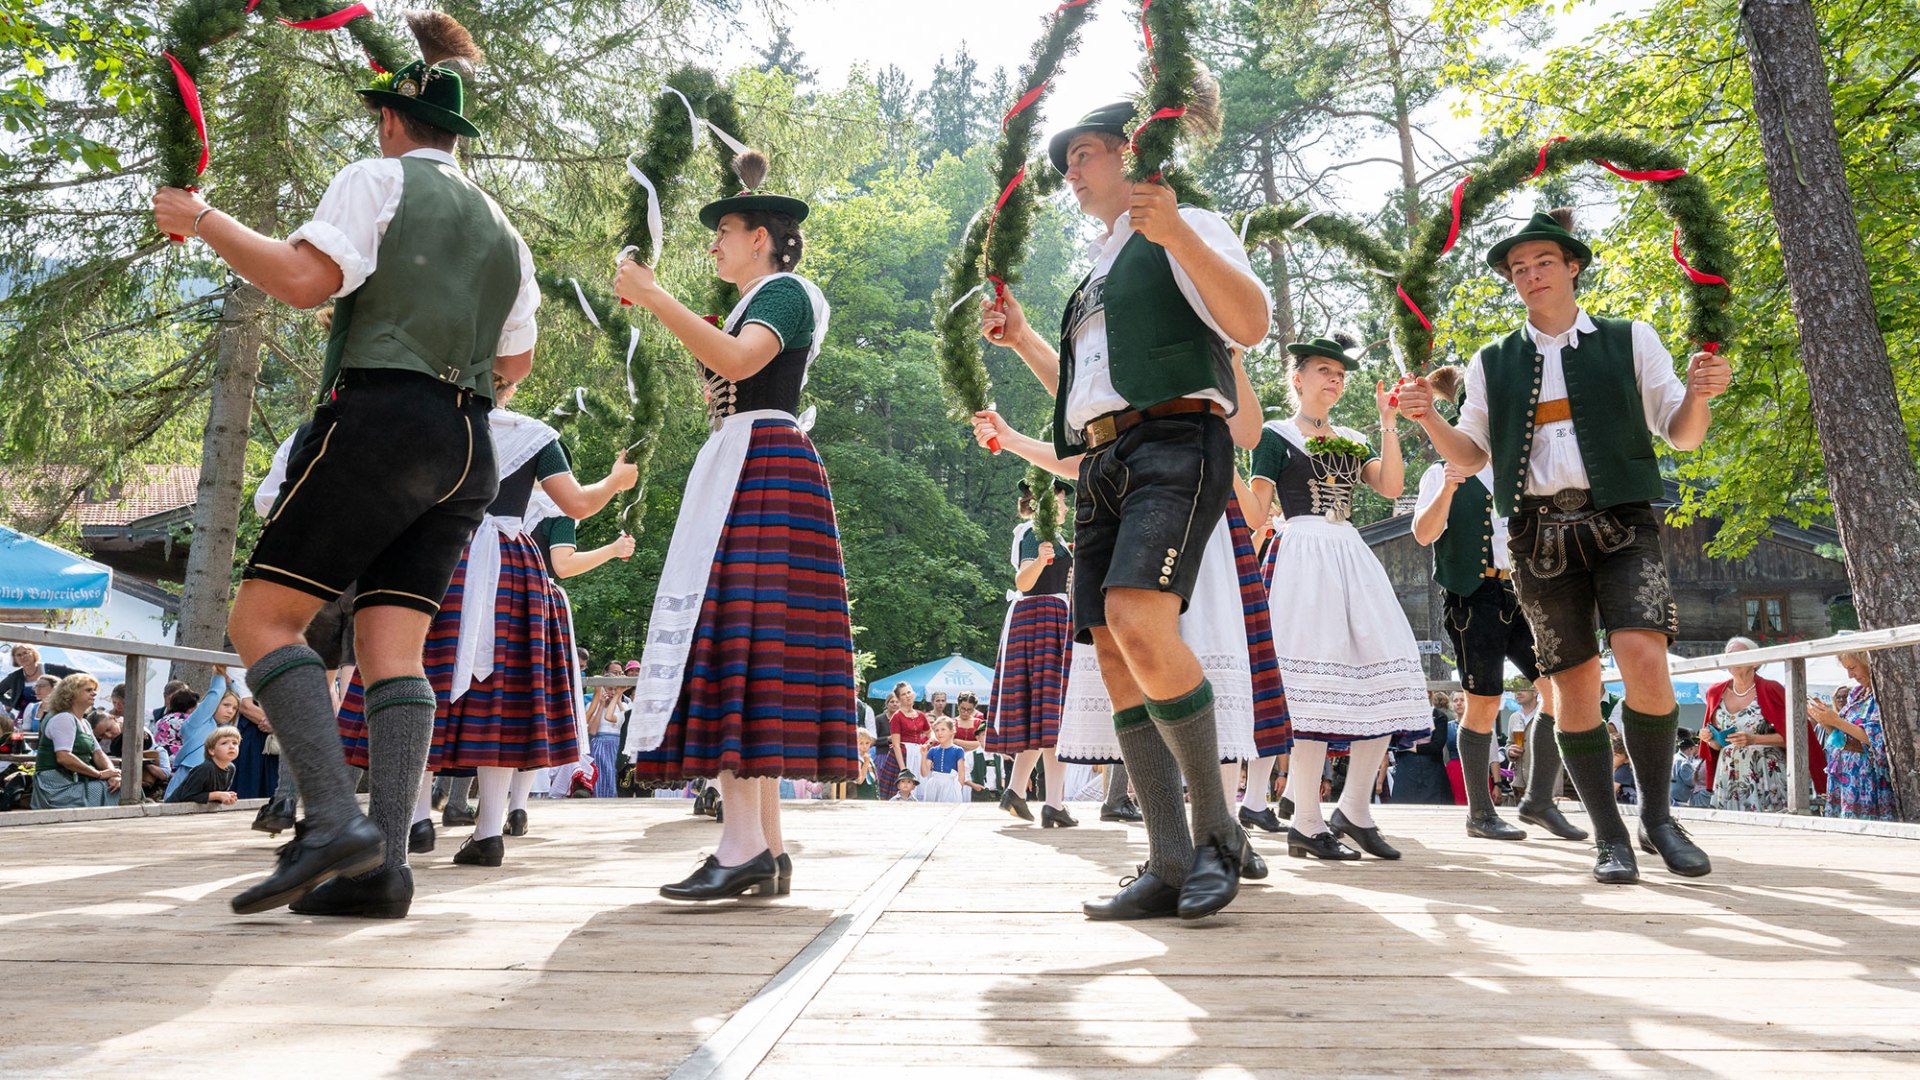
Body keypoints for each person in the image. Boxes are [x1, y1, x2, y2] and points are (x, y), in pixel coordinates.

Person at [152, 12, 540, 917]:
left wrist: (201, 217)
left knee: (262, 622)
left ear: (392, 121)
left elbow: (302, 279)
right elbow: (514, 364)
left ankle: (330, 821)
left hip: (381, 426)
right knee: (391, 650)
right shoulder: (504, 230)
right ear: (454, 134)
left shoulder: (377, 178)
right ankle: (383, 870)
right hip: (468, 445)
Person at [1396, 207, 1730, 884]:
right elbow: (1472, 453)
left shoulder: (1630, 338)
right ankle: (1610, 837)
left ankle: (1658, 817)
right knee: (1573, 682)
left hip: (1622, 522)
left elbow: (1683, 434)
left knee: (1644, 656)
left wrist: (1700, 395)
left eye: (1544, 261)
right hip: (1537, 533)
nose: (1531, 275)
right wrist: (1429, 418)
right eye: (1519, 268)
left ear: (1574, 266)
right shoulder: (1493, 361)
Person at [617, 146, 857, 901]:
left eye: (723, 232)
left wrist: (655, 296)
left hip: (760, 464)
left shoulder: (785, 292)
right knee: (747, 642)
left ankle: (744, 845)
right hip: (745, 463)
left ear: (761, 238)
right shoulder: (764, 296)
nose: (713, 244)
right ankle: (766, 848)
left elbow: (742, 363)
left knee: (738, 638)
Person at [1249, 334, 1430, 862]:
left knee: (1386, 672)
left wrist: (1387, 421)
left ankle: (1353, 810)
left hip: (1349, 551)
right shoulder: (1274, 435)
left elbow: (1391, 486)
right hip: (1302, 554)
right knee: (1312, 685)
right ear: (1298, 377)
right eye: (1324, 370)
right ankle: (1306, 819)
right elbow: (1257, 511)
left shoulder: (1351, 438)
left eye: (1340, 374)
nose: (1334, 379)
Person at [1409, 364, 1580, 843]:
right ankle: (1480, 813)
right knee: (1484, 702)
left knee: (1559, 692)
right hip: (1474, 594)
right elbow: (1423, 534)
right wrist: (1448, 487)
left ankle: (1539, 800)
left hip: (1526, 592)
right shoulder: (1439, 472)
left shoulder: (1517, 471)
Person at [985, 481, 1077, 827]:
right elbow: (1023, 582)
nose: (1066, 508)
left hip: (1052, 619)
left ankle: (1018, 792)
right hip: (1041, 619)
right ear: (1046, 505)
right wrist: (1040, 560)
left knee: (1047, 716)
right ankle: (1051, 803)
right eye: (1061, 502)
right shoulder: (1033, 533)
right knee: (1052, 715)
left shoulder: (1056, 538)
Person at [1697, 637, 1791, 812]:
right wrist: (1709, 738)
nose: (1732, 659)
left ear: (1754, 662)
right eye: (1729, 655)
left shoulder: (1771, 689)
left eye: (1738, 655)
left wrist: (1754, 739)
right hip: (1729, 772)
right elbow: (1718, 746)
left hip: (1766, 772)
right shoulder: (1715, 692)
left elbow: (1795, 737)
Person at [1809, 651, 1896, 820]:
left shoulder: (1884, 694)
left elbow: (1878, 739)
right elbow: (1840, 737)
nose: (1850, 675)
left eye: (1853, 667)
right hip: (1845, 776)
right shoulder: (1857, 694)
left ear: (1867, 662)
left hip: (1866, 778)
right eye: (1847, 669)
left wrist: (1836, 721)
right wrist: (1824, 719)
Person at [29, 674, 119, 808]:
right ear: (71, 693)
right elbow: (64, 757)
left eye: (94, 690)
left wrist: (113, 774)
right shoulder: (63, 718)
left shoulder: (84, 722)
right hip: (57, 787)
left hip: (74, 781)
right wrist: (99, 774)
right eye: (88, 690)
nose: (94, 693)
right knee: (121, 792)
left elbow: (98, 753)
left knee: (121, 785)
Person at [167, 726, 243, 807]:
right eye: (224, 743)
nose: (232, 746)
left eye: (235, 743)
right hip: (174, 809)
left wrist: (227, 796)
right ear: (212, 750)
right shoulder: (206, 768)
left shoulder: (231, 768)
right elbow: (187, 796)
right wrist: (218, 795)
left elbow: (215, 796)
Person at [0, 644, 80, 717]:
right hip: (28, 717)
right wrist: (12, 702)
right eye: (18, 655)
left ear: (33, 653)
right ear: (15, 659)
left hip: (55, 714)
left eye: (25, 653)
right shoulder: (15, 677)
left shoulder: (51, 669)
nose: (23, 657)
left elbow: (81, 676)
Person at [887, 683, 935, 791]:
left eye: (909, 692)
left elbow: (930, 733)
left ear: (913, 694)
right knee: (903, 789)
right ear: (899, 698)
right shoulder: (897, 716)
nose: (907, 696)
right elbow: (896, 745)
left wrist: (929, 743)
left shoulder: (921, 715)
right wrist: (903, 769)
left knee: (920, 785)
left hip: (918, 753)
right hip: (903, 754)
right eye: (903, 694)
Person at [918, 718, 973, 804]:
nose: (939, 733)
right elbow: (924, 773)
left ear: (951, 731)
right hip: (934, 786)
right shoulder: (932, 750)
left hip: (950, 786)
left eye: (943, 729)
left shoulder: (958, 750)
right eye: (937, 730)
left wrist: (957, 789)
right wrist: (923, 755)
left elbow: (961, 775)